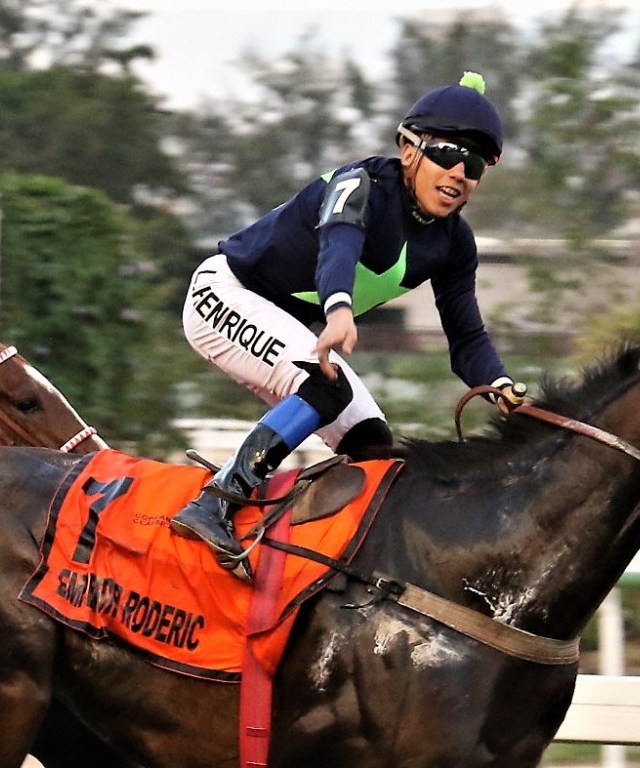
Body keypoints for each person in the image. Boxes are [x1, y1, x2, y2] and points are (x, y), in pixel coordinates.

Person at [171, 71, 523, 580]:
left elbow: (466, 337)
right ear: (408, 149)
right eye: (447, 154)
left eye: (475, 165)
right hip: (224, 294)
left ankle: (317, 559)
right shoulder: (358, 185)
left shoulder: (455, 243)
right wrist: (338, 309)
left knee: (374, 447)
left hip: (292, 325)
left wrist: (501, 385)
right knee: (325, 388)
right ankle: (214, 503)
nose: (459, 173)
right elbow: (340, 242)